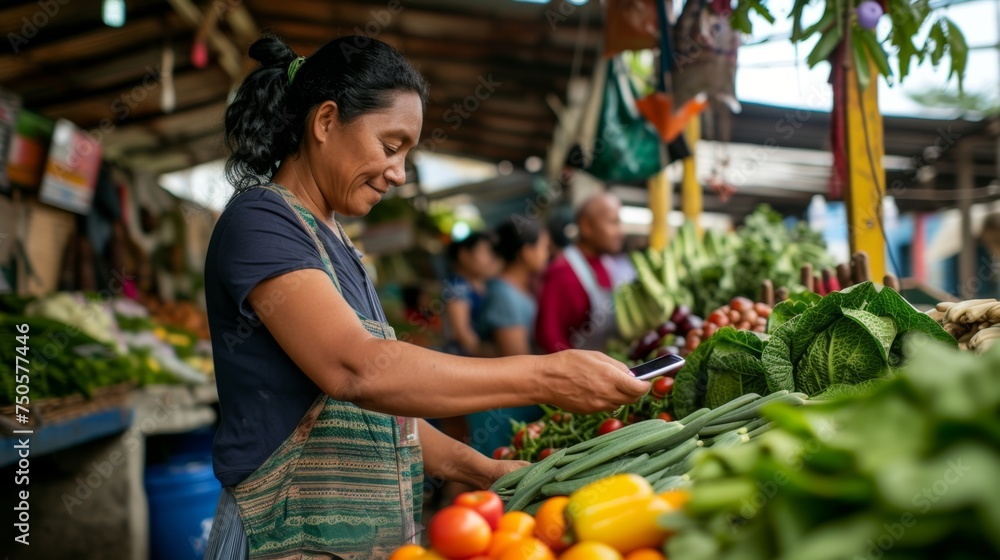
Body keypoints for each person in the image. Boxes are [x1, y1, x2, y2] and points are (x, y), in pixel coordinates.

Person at [202, 35, 648, 559]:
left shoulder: (335, 239)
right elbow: (358, 371)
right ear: (324, 122)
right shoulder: (261, 222)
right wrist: (547, 375)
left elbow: (376, 413)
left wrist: (480, 469)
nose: (399, 173)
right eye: (391, 147)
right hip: (281, 538)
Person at [466, 220, 550, 456]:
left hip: (515, 396)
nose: (547, 254)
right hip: (502, 407)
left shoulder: (518, 288)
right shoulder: (504, 294)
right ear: (526, 252)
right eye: (544, 247)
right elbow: (517, 356)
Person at [536, 193, 626, 354]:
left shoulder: (606, 264)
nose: (620, 231)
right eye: (613, 222)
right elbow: (549, 336)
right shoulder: (562, 273)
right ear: (586, 226)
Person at [442, 232, 497, 357]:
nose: (491, 258)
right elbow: (463, 334)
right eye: (485, 252)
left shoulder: (484, 284)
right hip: (463, 360)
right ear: (464, 255)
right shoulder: (457, 286)